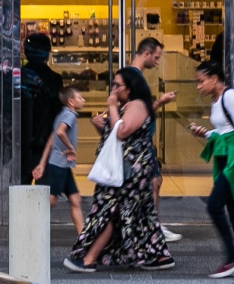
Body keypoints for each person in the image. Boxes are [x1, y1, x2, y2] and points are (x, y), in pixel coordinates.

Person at [66, 67, 173, 273]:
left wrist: (112, 107)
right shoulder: (128, 106)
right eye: (113, 85)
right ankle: (158, 255)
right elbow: (113, 130)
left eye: (117, 85)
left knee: (113, 211)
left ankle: (89, 259)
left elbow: (122, 131)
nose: (113, 89)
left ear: (130, 88)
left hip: (130, 172)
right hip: (125, 170)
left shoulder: (137, 105)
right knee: (138, 213)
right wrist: (100, 121)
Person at [187, 58, 234, 280]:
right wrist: (205, 133)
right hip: (226, 157)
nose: (199, 86)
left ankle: (232, 257)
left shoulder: (230, 96)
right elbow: (224, 131)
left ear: (214, 79)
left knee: (215, 205)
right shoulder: (217, 100)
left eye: (201, 81)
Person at [130, 37, 182, 242]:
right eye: (157, 57)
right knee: (154, 181)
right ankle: (151, 226)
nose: (158, 61)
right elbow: (136, 114)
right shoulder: (135, 78)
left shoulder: (135, 76)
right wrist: (160, 101)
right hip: (140, 139)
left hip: (141, 139)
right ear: (146, 54)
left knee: (152, 181)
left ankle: (149, 224)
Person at [34, 85, 87, 239]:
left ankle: (82, 238)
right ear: (71, 101)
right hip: (59, 165)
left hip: (61, 165)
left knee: (75, 199)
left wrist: (42, 164)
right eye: (80, 97)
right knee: (50, 201)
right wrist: (71, 148)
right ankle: (30, 227)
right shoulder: (69, 115)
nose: (83, 100)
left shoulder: (61, 114)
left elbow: (52, 139)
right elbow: (59, 133)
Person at [20, 32, 63, 184]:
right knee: (44, 191)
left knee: (19, 190)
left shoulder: (17, 76)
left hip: (21, 142)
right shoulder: (54, 79)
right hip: (45, 141)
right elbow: (58, 112)